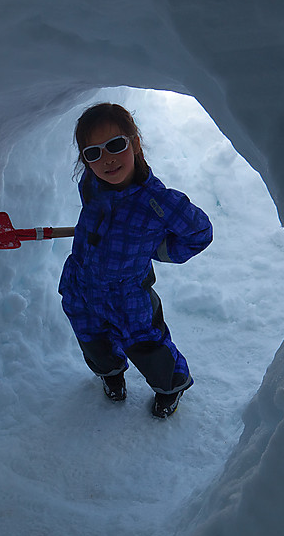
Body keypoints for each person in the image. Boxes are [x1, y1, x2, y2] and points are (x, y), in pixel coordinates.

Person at [58, 102, 213, 418]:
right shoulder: (90, 185)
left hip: (127, 292)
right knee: (92, 338)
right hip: (83, 285)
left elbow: (200, 233)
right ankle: (110, 373)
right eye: (93, 153)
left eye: (115, 145)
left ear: (136, 143)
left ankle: (171, 385)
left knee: (146, 343)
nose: (107, 159)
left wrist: (159, 251)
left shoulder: (159, 202)